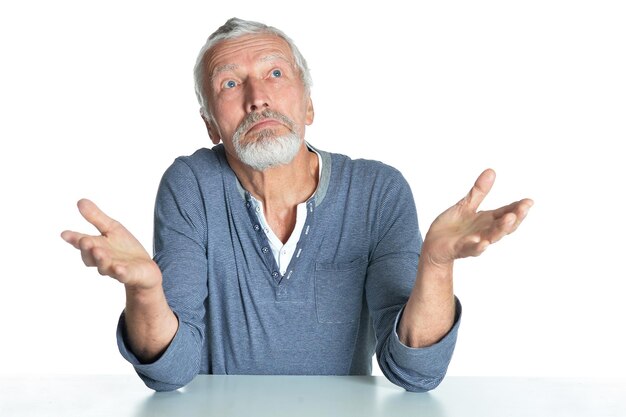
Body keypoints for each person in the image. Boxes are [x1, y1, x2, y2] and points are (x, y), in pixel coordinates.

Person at [61, 17, 533, 392]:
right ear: (210, 126)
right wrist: (145, 291)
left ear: (308, 105)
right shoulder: (192, 186)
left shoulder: (377, 191)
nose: (257, 98)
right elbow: (170, 372)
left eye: (275, 73)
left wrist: (436, 265)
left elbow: (415, 372)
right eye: (230, 84)